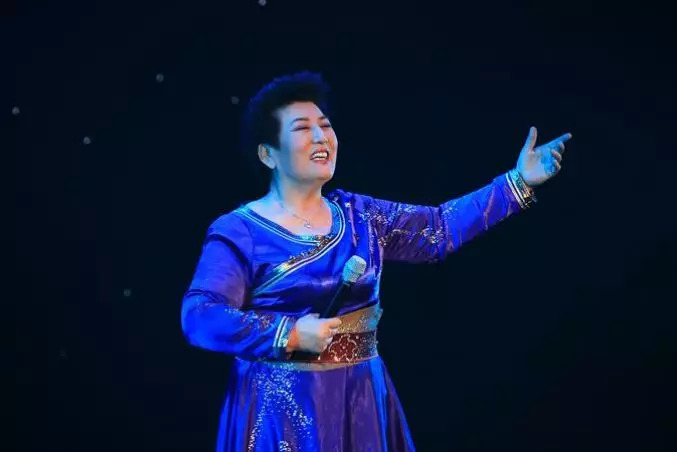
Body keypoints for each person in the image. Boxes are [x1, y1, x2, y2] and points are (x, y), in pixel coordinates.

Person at [181, 71, 572, 451]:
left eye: (325, 126)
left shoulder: (360, 216)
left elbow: (439, 229)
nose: (321, 136)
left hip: (361, 398)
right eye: (302, 129)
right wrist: (290, 335)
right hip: (282, 411)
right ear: (268, 154)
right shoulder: (241, 230)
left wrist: (518, 182)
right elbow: (200, 315)